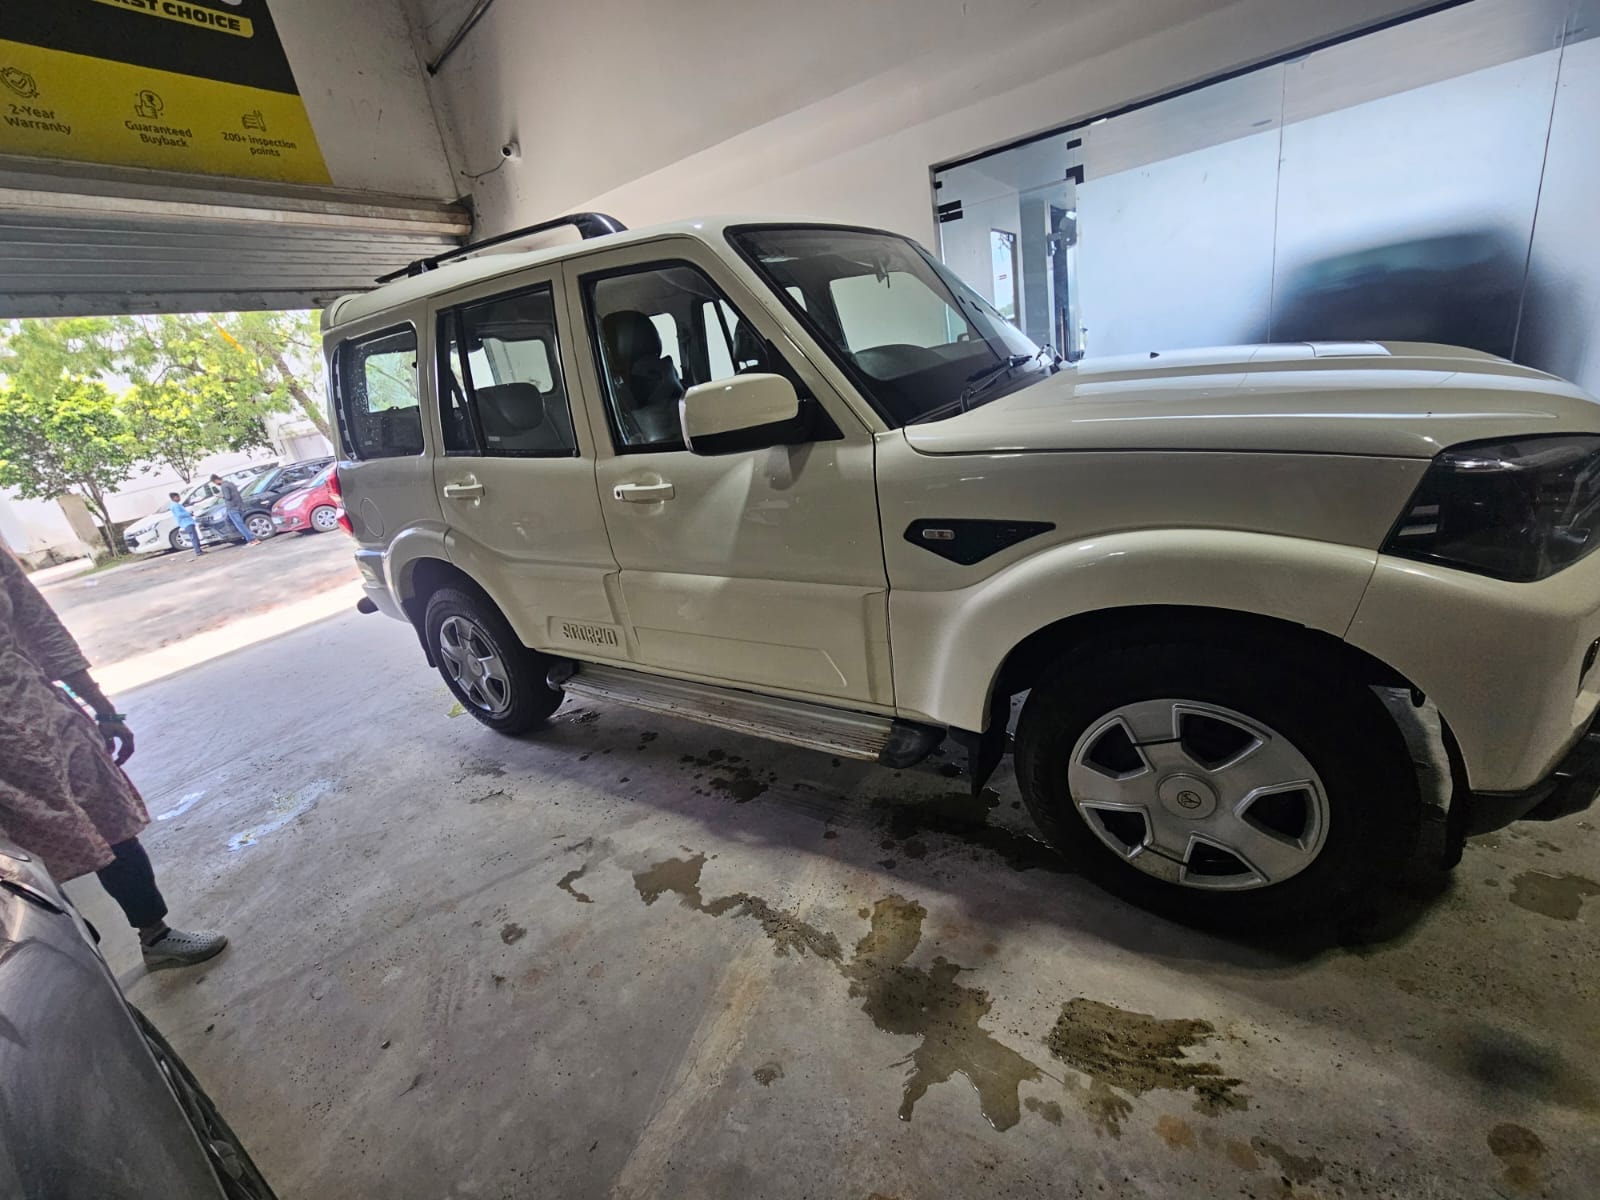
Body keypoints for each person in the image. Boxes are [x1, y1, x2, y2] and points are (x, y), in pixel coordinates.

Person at [0, 546, 226, 970]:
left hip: (41, 717)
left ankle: (156, 935)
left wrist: (104, 710)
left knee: (113, 825)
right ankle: (77, 974)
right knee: (18, 875)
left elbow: (43, 628)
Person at [210, 472, 258, 546]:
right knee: (229, 521)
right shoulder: (230, 483)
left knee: (239, 524)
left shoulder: (224, 486)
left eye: (214, 482)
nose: (215, 484)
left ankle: (251, 539)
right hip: (239, 506)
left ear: (216, 480)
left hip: (232, 507)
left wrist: (220, 496)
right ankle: (239, 536)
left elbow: (228, 497)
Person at [167, 491, 204, 557]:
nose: (179, 498)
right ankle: (198, 551)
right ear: (174, 497)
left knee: (194, 536)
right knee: (194, 537)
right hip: (186, 522)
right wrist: (188, 514)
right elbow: (179, 515)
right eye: (178, 497)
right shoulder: (175, 505)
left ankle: (199, 550)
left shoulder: (175, 505)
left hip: (187, 522)